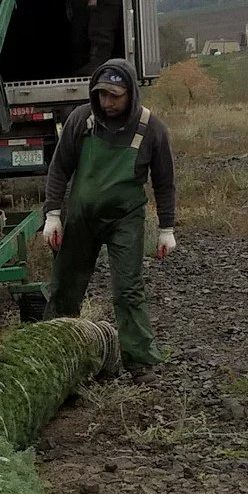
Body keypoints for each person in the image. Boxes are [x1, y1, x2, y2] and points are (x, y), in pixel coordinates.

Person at [42, 59, 176, 374]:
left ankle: (139, 360)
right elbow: (59, 168)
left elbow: (165, 182)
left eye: (116, 95)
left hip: (124, 220)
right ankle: (54, 353)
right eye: (103, 94)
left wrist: (166, 229)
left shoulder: (151, 129)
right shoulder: (81, 120)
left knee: (128, 289)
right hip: (80, 219)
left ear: (131, 93)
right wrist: (53, 214)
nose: (108, 102)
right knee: (65, 286)